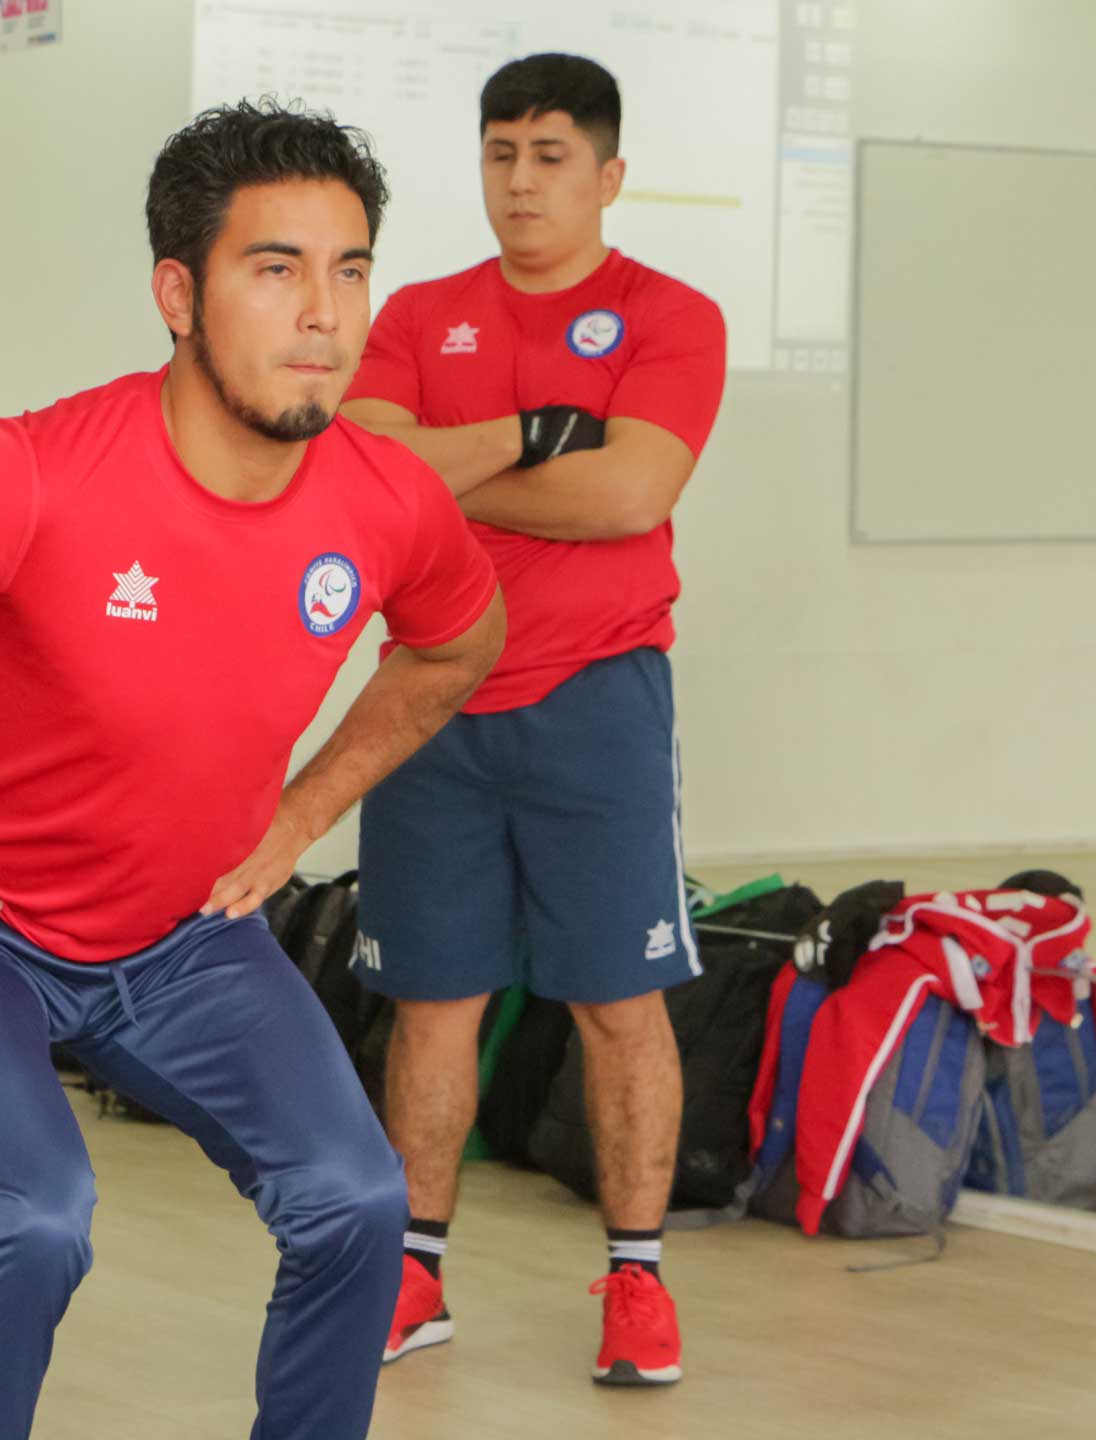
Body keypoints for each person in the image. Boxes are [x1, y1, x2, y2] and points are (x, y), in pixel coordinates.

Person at [0, 100, 507, 1440]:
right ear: (179, 292)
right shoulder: (25, 480)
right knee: (37, 1215)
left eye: (351, 269)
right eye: (275, 268)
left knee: (358, 1201)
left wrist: (303, 811)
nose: (325, 315)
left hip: (185, 931)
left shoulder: (387, 496)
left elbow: (459, 645)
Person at [338, 52, 727, 1385]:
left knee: (621, 1002)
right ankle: (412, 1271)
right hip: (433, 694)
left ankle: (636, 1279)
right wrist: (537, 431)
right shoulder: (419, 313)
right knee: (430, 1001)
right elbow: (369, 467)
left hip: (598, 700)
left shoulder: (675, 317)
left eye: (551, 154)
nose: (520, 179)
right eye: (501, 151)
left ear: (609, 175)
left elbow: (630, 498)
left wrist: (450, 474)